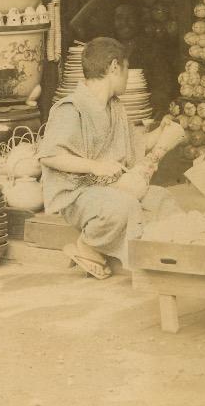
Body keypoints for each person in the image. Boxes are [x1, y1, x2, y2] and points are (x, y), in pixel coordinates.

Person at [38, 36, 169, 279]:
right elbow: (50, 155)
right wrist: (94, 166)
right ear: (114, 67)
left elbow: (136, 145)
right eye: (127, 69)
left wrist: (162, 133)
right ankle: (88, 244)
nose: (128, 77)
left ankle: (165, 258)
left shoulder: (115, 106)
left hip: (110, 187)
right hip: (79, 192)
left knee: (161, 197)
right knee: (124, 206)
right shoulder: (71, 107)